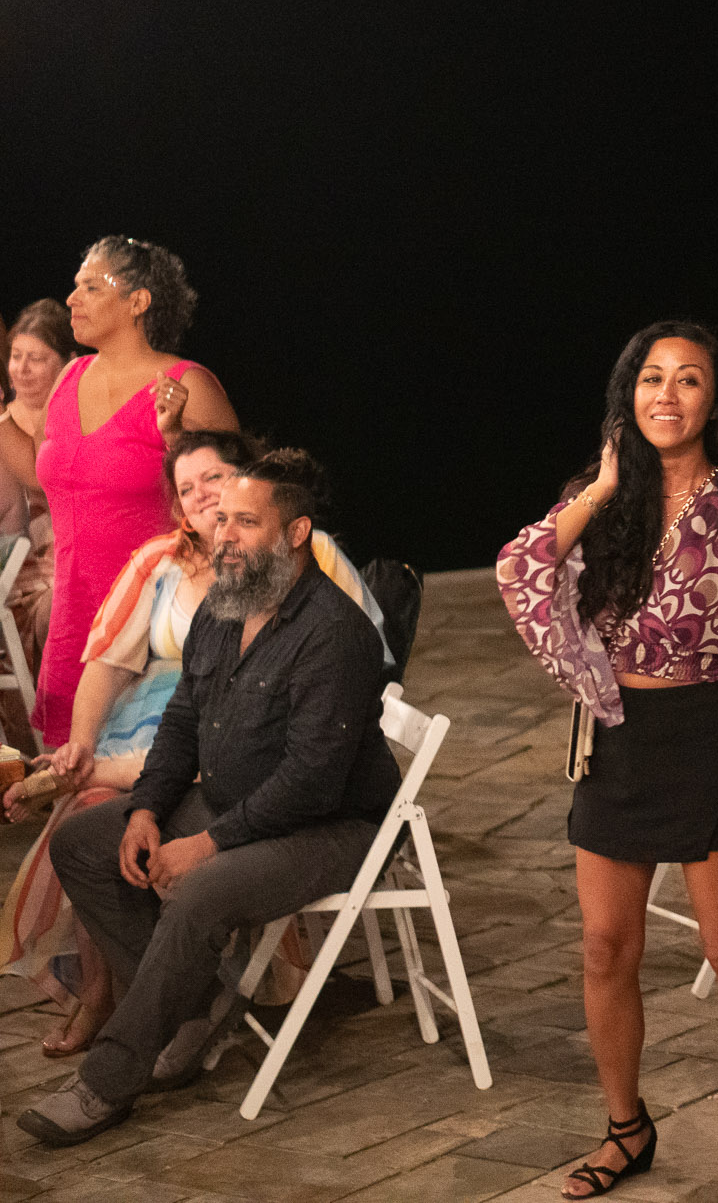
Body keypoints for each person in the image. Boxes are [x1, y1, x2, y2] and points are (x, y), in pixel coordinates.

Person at [495, 320, 718, 1199]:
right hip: (618, 738)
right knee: (604, 945)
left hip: (707, 735)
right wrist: (600, 487)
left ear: (715, 399)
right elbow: (518, 572)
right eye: (651, 378)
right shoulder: (599, 501)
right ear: (628, 394)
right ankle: (626, 1127)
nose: (667, 395)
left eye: (688, 379)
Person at [15, 448, 399, 1147]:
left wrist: (206, 843)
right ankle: (194, 1008)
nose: (225, 535)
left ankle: (107, 1083)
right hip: (239, 800)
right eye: (222, 520)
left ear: (296, 533)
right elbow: (183, 724)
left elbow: (311, 782)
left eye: (246, 522)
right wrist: (145, 810)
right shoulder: (226, 608)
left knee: (200, 892)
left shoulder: (334, 633)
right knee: (82, 843)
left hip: (330, 825)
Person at [27, 237, 238, 748]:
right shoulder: (68, 378)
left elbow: (241, 506)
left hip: (153, 632)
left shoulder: (187, 385)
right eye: (75, 286)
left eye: (91, 287)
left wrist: (174, 435)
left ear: (138, 301)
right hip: (74, 625)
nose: (71, 299)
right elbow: (47, 476)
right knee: (71, 774)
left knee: (138, 780)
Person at [0, 298, 82, 740]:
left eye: (37, 358)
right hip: (22, 573)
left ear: (68, 362)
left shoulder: (83, 418)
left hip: (74, 559)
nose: (23, 369)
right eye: (16, 356)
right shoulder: (4, 424)